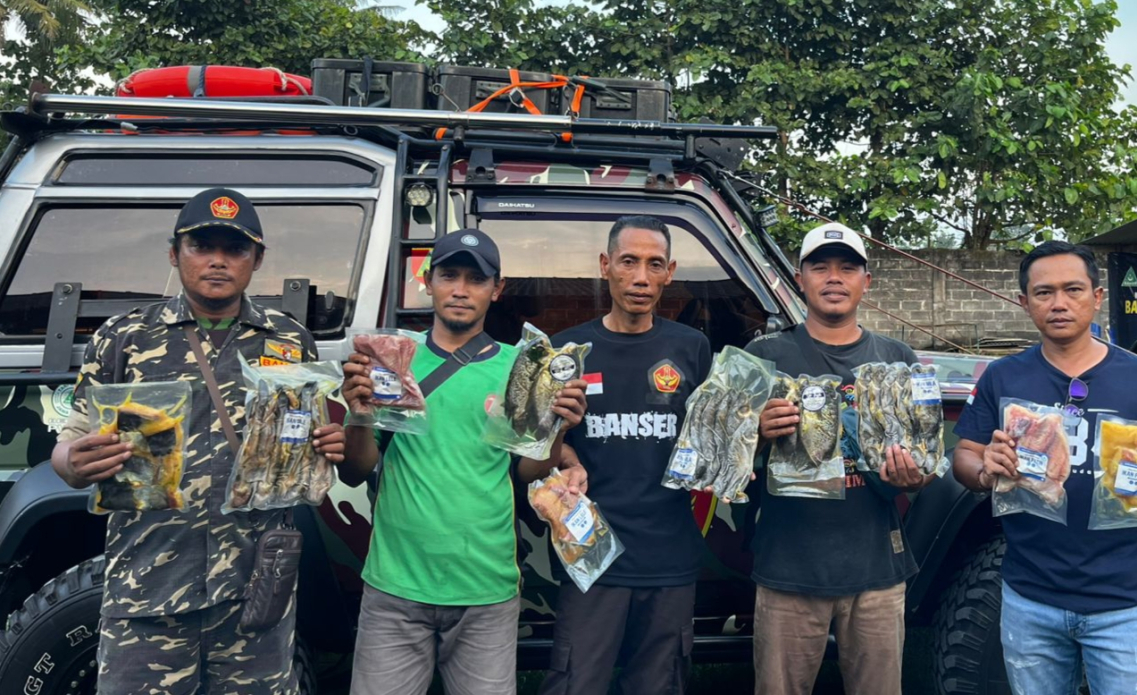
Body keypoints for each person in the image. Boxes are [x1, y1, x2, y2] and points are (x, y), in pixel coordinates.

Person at [51, 188, 346, 695]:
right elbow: (74, 437)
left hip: (254, 595)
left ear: (257, 259)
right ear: (174, 253)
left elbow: (302, 443)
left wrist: (328, 445)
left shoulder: (289, 340)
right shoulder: (124, 337)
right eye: (200, 246)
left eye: (234, 249)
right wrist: (71, 463)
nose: (217, 261)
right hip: (148, 587)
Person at [951, 241, 1137, 695]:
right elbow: (965, 456)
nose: (1059, 303)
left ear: (1097, 296)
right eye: (1044, 292)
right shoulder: (1003, 377)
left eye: (1073, 289)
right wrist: (983, 467)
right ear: (1024, 302)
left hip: (1124, 601)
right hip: (1030, 598)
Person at [341, 228, 586, 695]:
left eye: (475, 279)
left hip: (486, 590)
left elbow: (527, 472)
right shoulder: (393, 360)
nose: (459, 289)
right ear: (427, 280)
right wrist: (358, 414)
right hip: (396, 586)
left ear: (497, 289)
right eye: (448, 274)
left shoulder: (520, 367)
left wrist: (559, 430)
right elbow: (356, 469)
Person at [526, 215, 711, 695]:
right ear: (606, 266)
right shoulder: (568, 352)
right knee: (575, 684)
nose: (641, 278)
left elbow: (711, 440)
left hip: (669, 556)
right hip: (591, 555)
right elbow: (531, 459)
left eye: (654, 264)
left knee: (658, 686)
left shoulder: (691, 349)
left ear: (670, 272)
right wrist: (561, 441)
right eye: (629, 262)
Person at [745, 222, 930, 695]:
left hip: (876, 570)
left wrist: (914, 475)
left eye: (848, 268)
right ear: (799, 278)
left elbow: (921, 460)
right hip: (789, 566)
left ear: (866, 283)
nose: (834, 277)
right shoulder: (765, 355)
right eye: (820, 266)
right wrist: (757, 434)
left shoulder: (897, 358)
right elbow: (723, 457)